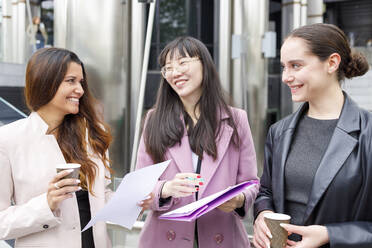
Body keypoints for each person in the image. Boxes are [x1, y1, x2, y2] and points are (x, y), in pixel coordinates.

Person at [253, 23, 371, 248]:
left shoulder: (368, 134)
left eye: (296, 66)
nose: (286, 77)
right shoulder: (279, 131)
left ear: (332, 63)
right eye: (284, 67)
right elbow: (266, 191)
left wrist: (330, 234)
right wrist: (262, 214)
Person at [135, 36, 259, 248]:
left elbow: (251, 182)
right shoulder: (154, 119)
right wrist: (167, 188)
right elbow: (138, 186)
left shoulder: (236, 119)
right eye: (168, 68)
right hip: (165, 238)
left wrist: (237, 200)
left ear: (204, 64)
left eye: (182, 63)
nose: (175, 72)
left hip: (222, 235)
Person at [0, 48, 115, 248]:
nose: (80, 89)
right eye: (71, 81)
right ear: (45, 82)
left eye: (81, 82)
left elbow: (101, 196)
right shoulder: (8, 140)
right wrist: (47, 204)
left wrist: (136, 200)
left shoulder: (93, 134)